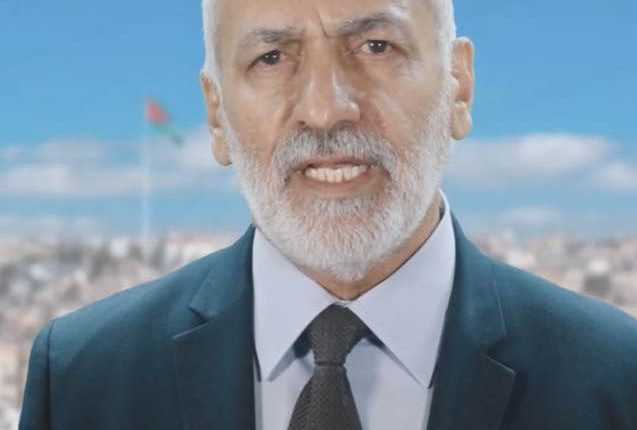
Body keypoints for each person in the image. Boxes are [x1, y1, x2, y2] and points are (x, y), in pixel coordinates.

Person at [18, 0, 637, 429]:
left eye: (375, 46)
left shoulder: (615, 378)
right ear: (216, 115)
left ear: (459, 85)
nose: (325, 108)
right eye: (271, 57)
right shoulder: (83, 377)